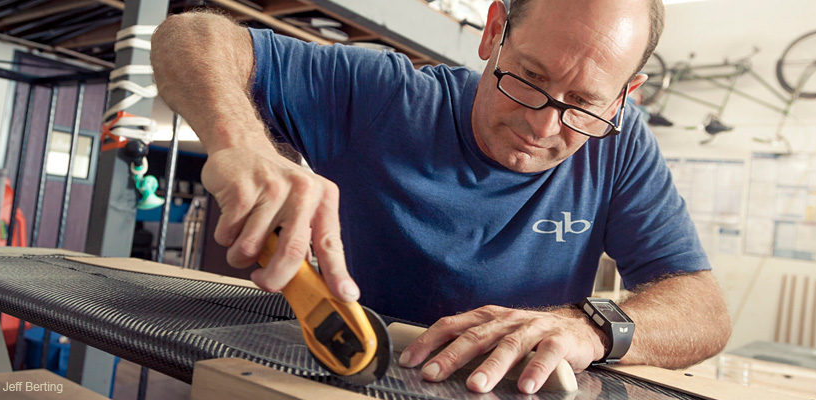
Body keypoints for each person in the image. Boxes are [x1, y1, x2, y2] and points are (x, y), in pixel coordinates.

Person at [150, 0, 732, 394]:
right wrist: (240, 141)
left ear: (624, 95)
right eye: (529, 79)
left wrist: (592, 328)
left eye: (583, 104)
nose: (543, 125)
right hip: (346, 379)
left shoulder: (621, 147)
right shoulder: (384, 97)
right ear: (494, 30)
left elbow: (704, 310)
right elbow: (189, 35)